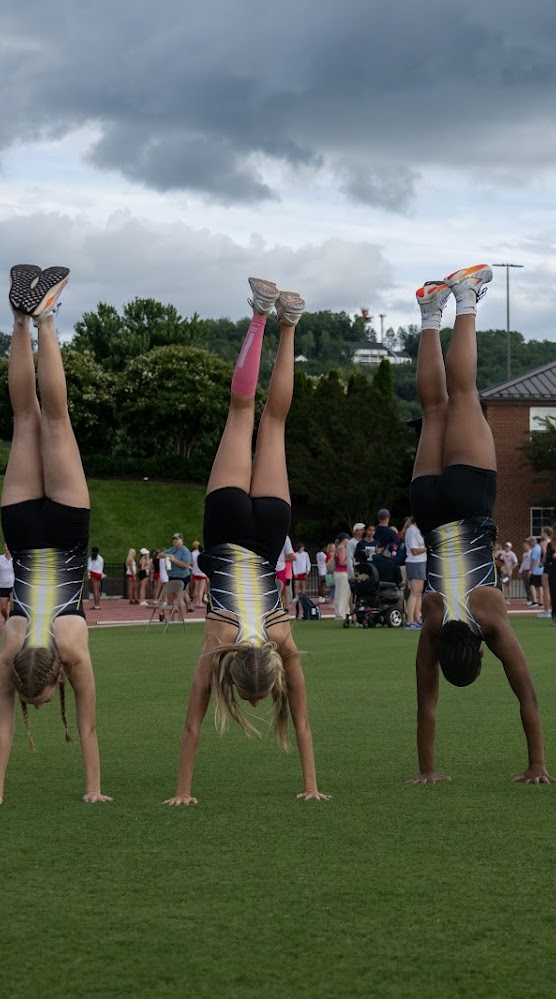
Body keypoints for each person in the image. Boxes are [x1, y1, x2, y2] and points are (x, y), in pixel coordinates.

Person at [168, 277, 327, 805]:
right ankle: (260, 314)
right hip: (226, 527)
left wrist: (313, 785)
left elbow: (303, 726)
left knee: (275, 423)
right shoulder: (217, 644)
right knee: (243, 415)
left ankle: (288, 323)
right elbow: (191, 728)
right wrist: (182, 791)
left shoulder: (284, 640)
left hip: (268, 532)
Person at [0, 264, 107, 806]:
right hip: (23, 529)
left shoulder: (73, 646)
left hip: (64, 532)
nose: (41, 705)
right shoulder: (10, 645)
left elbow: (86, 727)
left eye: (40, 700)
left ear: (53, 676)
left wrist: (94, 790)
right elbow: (6, 729)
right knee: (26, 417)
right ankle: (22, 319)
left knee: (55, 419)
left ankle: (46, 317)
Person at [408, 265, 554, 785]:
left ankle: (466, 298)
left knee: (464, 396)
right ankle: (430, 311)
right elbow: (425, 707)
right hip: (429, 509)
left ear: (478, 652)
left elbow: (527, 695)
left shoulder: (489, 616)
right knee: (433, 409)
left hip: (469, 505)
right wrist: (426, 771)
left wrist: (537, 764)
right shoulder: (430, 622)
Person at [402, 515, 427, 628]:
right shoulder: (412, 531)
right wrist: (427, 548)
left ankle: (417, 618)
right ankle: (409, 620)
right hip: (415, 562)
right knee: (414, 592)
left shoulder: (418, 530)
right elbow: (414, 551)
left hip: (421, 562)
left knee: (419, 592)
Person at [330, 531, 352, 622]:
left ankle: (345, 612)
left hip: (343, 572)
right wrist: (351, 561)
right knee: (341, 594)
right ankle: (340, 613)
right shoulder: (341, 548)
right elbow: (342, 562)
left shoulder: (341, 547)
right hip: (341, 572)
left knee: (346, 594)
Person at [0, 543, 14, 620]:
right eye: (4, 547)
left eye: (7, 547)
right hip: (3, 585)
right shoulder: (0, 559)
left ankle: (11, 619)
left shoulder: (14, 558)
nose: (6, 548)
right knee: (3, 608)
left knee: (13, 604)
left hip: (12, 585)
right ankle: (6, 618)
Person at [87, 545, 105, 610]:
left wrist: (89, 575)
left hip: (93, 574)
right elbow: (102, 567)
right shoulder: (101, 558)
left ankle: (96, 605)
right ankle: (98, 604)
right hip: (99, 574)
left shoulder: (90, 558)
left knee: (95, 590)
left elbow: (89, 568)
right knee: (98, 590)